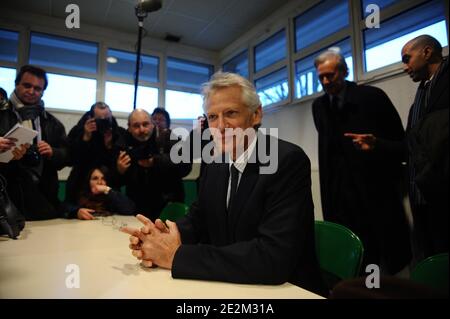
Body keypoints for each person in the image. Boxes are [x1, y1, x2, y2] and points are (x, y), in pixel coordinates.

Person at [121, 72, 326, 296]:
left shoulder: (286, 161)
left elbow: (272, 257)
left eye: (230, 113)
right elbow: (199, 219)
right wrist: (162, 239)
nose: (220, 127)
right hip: (231, 285)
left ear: (256, 114)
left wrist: (175, 256)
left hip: (287, 290)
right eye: (212, 117)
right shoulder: (215, 162)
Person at [312, 50, 411, 275]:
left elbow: (402, 145)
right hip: (340, 199)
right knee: (352, 261)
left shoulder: (372, 97)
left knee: (384, 263)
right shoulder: (319, 107)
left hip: (375, 196)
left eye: (331, 75)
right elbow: (328, 154)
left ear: (345, 71)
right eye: (321, 77)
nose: (326, 81)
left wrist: (377, 145)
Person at [349, 35, 448, 259]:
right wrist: (377, 144)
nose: (405, 67)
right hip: (421, 195)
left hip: (442, 193)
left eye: (407, 58)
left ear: (427, 52)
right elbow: (409, 147)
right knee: (430, 260)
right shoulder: (421, 96)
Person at [0, 65, 69, 220]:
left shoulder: (52, 122)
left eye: (37, 88)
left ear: (43, 91)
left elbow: (68, 155)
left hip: (43, 198)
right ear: (16, 84)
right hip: (6, 196)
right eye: (27, 85)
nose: (31, 91)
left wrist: (54, 152)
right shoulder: (1, 113)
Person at [116, 109, 191, 220]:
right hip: (137, 208)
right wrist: (119, 171)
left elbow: (186, 165)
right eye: (136, 126)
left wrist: (155, 161)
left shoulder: (168, 137)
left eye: (145, 124)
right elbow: (119, 181)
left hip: (168, 206)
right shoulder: (124, 142)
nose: (141, 129)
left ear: (152, 124)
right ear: (129, 127)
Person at [66, 102, 126, 203]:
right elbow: (70, 158)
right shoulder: (79, 130)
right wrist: (85, 138)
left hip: (109, 185)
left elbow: (119, 164)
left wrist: (109, 147)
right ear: (91, 117)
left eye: (106, 119)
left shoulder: (118, 133)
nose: (103, 122)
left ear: (111, 115)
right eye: (99, 119)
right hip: (80, 185)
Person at [62, 166, 135, 220]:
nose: (99, 182)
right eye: (95, 178)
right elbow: (64, 207)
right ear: (88, 182)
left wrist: (108, 190)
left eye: (103, 179)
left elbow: (129, 209)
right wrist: (76, 212)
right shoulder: (81, 195)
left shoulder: (111, 196)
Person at [151, 107, 192, 204]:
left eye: (161, 119)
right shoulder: (147, 140)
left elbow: (185, 167)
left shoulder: (176, 141)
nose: (157, 122)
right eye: (154, 119)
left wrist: (156, 160)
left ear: (167, 124)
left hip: (172, 195)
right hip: (151, 195)